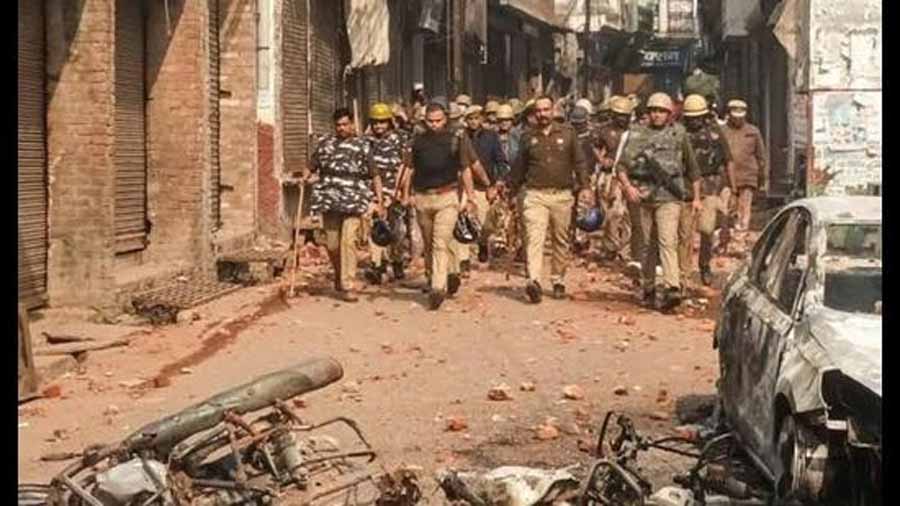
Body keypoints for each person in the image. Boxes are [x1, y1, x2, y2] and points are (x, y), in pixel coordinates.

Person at [616, 92, 700, 310]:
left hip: (669, 197)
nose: (657, 115)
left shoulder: (679, 134)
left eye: (661, 111)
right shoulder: (637, 134)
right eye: (653, 110)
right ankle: (649, 286)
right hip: (643, 196)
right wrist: (628, 187)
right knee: (647, 244)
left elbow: (692, 168)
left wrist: (697, 197)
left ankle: (672, 287)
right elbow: (621, 167)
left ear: (669, 114)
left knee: (667, 240)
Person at [509, 96, 593, 303]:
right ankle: (534, 281)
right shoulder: (527, 137)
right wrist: (511, 191)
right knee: (534, 238)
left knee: (560, 239)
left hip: (562, 195)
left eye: (546, 110)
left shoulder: (568, 134)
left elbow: (580, 162)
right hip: (535, 195)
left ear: (553, 110)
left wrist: (585, 186)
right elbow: (519, 167)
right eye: (538, 111)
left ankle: (558, 280)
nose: (542, 114)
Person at [401, 102, 479, 310]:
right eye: (430, 121)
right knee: (428, 243)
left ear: (445, 119)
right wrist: (405, 194)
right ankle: (436, 275)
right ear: (424, 121)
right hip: (423, 198)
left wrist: (471, 197)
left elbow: (465, 169)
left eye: (438, 121)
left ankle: (438, 287)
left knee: (440, 241)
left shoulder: (455, 139)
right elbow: (408, 168)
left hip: (447, 197)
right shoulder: (417, 142)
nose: (434, 125)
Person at [305, 108, 385, 302]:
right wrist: (305, 175)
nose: (341, 128)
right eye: (338, 125)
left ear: (352, 124)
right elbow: (311, 165)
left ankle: (348, 284)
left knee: (349, 241)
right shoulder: (325, 145)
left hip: (354, 201)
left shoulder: (362, 146)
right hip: (330, 200)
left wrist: (380, 201)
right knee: (332, 244)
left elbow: (375, 175)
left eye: (345, 124)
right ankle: (340, 274)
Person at [679, 95, 736, 289]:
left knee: (707, 229)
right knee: (684, 232)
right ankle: (684, 272)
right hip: (685, 187)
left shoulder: (715, 134)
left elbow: (728, 160)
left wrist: (733, 189)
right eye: (690, 118)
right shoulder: (679, 133)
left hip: (710, 186)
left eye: (698, 117)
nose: (694, 121)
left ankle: (704, 264)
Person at [364, 103, 409, 285]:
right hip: (373, 192)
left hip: (394, 191)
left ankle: (397, 261)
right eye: (375, 122)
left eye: (382, 122)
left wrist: (403, 192)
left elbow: (406, 167)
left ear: (389, 122)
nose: (379, 126)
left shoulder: (400, 139)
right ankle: (377, 265)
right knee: (375, 228)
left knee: (397, 230)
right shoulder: (366, 142)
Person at [458, 105, 507, 266]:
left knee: (485, 225)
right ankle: (464, 260)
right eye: (470, 119)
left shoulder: (491, 137)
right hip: (463, 186)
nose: (473, 122)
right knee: (463, 221)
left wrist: (497, 183)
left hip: (484, 186)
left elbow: (501, 161)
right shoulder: (461, 137)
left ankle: (483, 244)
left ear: (481, 119)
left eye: (476, 118)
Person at [594, 96, 636, 263]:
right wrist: (602, 160)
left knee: (625, 215)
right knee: (609, 214)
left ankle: (625, 250)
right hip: (608, 177)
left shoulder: (635, 132)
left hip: (628, 177)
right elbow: (595, 146)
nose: (622, 118)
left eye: (625, 115)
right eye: (619, 115)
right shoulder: (604, 130)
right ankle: (610, 246)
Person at [722, 99, 767, 232]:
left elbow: (761, 156)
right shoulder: (722, 131)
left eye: (740, 117)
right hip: (726, 178)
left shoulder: (753, 131)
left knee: (744, 208)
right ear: (729, 114)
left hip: (748, 176)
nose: (738, 120)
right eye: (735, 116)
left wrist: (761, 176)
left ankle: (742, 233)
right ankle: (725, 233)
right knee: (725, 208)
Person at [569, 105, 599, 255]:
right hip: (570, 176)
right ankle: (572, 238)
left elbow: (596, 158)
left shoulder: (592, 138)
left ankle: (582, 240)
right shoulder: (569, 136)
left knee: (584, 209)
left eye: (580, 123)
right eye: (576, 123)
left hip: (587, 176)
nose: (578, 126)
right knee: (570, 209)